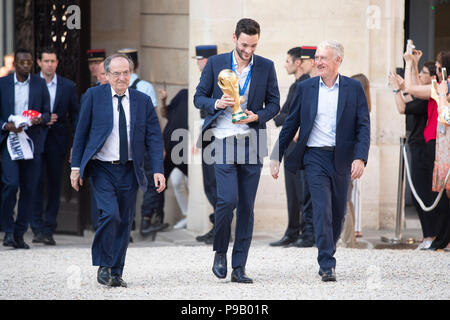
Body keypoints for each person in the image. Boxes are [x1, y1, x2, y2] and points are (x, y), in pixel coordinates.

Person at [271, 40, 370, 282]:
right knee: (322, 209)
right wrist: (277, 155)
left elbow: (363, 126)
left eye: (323, 58)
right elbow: (291, 123)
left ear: (338, 60)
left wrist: (360, 157)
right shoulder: (307, 89)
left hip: (342, 158)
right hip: (314, 156)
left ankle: (329, 249)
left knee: (337, 212)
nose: (318, 62)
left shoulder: (353, 88)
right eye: (316, 57)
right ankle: (326, 262)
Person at [194, 18, 280, 283]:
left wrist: (256, 117)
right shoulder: (216, 63)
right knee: (227, 200)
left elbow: (275, 104)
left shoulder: (266, 66)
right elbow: (198, 97)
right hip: (222, 139)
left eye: (253, 45)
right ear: (234, 38)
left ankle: (239, 266)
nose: (248, 50)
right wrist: (217, 103)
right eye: (244, 44)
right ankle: (220, 251)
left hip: (252, 141)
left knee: (246, 207)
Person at [70, 54, 165, 287]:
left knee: (124, 221)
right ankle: (103, 264)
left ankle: (116, 271)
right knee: (110, 214)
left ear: (131, 74)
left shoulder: (142, 101)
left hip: (130, 170)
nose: (122, 78)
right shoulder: (93, 96)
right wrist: (75, 168)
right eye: (116, 73)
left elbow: (154, 137)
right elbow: (81, 132)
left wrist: (158, 170)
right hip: (102, 168)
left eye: (125, 73)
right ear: (107, 75)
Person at [0, 48, 51, 249]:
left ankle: (20, 233)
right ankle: (8, 230)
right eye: (21, 62)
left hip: (31, 142)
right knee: (10, 184)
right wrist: (5, 125)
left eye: (28, 62)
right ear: (15, 65)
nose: (25, 66)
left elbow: (47, 113)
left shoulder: (39, 84)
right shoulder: (3, 84)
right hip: (10, 142)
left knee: (29, 189)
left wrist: (40, 119)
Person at [29, 47, 79, 245]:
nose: (49, 64)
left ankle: (49, 228)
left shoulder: (67, 86)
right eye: (46, 61)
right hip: (35, 139)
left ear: (57, 63)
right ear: (39, 63)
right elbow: (23, 109)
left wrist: (75, 142)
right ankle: (36, 228)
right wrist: (41, 119)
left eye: (53, 61)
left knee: (54, 185)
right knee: (35, 183)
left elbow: (75, 113)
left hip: (57, 142)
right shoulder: (31, 83)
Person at [389, 60, 439, 250]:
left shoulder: (429, 96)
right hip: (417, 145)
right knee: (420, 193)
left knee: (424, 194)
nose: (421, 76)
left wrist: (397, 89)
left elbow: (402, 107)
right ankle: (428, 234)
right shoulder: (423, 95)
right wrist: (403, 84)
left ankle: (431, 235)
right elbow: (409, 95)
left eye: (424, 73)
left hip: (422, 146)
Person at [403, 50, 450, 250]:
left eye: (439, 68)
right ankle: (441, 238)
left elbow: (410, 88)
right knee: (440, 193)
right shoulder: (440, 87)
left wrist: (408, 64)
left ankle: (442, 237)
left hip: (442, 142)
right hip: (438, 142)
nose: (436, 71)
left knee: (442, 194)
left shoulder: (443, 87)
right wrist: (413, 63)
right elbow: (415, 87)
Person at [117, 48, 165, 237]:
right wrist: (160, 145)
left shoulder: (116, 85)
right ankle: (145, 220)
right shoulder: (145, 86)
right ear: (138, 64)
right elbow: (154, 120)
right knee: (151, 182)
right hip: (143, 145)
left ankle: (126, 226)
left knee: (125, 184)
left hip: (121, 145)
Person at [270, 46, 315, 248]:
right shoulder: (297, 85)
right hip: (290, 143)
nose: (285, 65)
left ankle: (304, 232)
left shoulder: (304, 84)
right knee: (294, 191)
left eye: (288, 61)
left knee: (301, 190)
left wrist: (285, 117)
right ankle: (293, 230)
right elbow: (281, 116)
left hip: (297, 145)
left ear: (300, 62)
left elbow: (286, 115)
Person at [339, 73, 372, 248]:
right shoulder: (362, 106)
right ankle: (348, 239)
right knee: (346, 198)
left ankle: (346, 240)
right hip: (351, 156)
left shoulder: (355, 107)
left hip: (348, 157)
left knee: (343, 199)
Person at [192, 45, 218, 244]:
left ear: (207, 60)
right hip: (208, 138)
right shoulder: (207, 79)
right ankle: (217, 224)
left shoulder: (217, 80)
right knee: (209, 183)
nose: (197, 63)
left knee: (214, 184)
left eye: (199, 59)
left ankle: (220, 226)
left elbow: (212, 113)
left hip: (215, 139)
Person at [159, 87, 189, 229]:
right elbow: (165, 113)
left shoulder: (208, 97)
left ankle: (192, 217)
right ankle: (187, 215)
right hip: (171, 148)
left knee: (191, 183)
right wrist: (164, 100)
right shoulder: (183, 94)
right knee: (176, 182)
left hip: (189, 150)